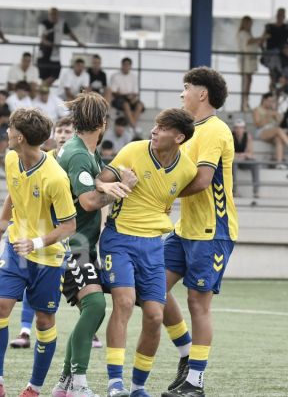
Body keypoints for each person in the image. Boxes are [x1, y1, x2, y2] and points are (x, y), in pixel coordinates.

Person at [98, 108, 197, 397]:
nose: (154, 131)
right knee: (125, 302)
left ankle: (138, 387)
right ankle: (115, 383)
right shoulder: (133, 150)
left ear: (178, 137)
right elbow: (99, 180)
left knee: (154, 315)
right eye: (155, 125)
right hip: (119, 239)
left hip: (154, 244)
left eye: (162, 128)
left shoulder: (187, 169)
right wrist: (113, 185)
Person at [47, 94, 140, 397]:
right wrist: (122, 188)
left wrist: (104, 183)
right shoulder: (77, 154)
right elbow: (88, 201)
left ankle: (64, 382)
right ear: (103, 123)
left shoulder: (87, 152)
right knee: (96, 305)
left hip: (82, 244)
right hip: (70, 244)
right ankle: (79, 384)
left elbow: (95, 181)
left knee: (94, 309)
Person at [0, 107, 77, 397]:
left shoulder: (56, 178)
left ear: (20, 137)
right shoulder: (12, 159)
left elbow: (70, 226)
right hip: (14, 251)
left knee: (45, 321)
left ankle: (33, 389)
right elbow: (13, 193)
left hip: (48, 259)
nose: (6, 133)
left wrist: (37, 243)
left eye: (9, 129)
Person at [161, 67, 239, 397]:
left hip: (213, 231)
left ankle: (196, 381)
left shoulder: (215, 131)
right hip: (185, 230)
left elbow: (203, 180)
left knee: (198, 303)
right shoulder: (192, 131)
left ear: (202, 93)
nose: (182, 94)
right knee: (150, 288)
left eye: (186, 87)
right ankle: (185, 353)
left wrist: (161, 195)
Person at [37, 8, 85, 86]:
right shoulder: (43, 24)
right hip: (44, 54)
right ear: (49, 15)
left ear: (58, 15)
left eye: (55, 14)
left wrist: (78, 42)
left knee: (55, 74)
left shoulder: (62, 23)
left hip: (55, 54)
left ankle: (41, 89)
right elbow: (42, 38)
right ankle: (43, 91)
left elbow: (70, 33)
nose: (53, 16)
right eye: (51, 14)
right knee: (44, 76)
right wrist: (49, 44)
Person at [237, 16, 267, 112]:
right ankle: (244, 103)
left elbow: (253, 42)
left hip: (250, 59)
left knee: (248, 80)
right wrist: (263, 37)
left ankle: (246, 102)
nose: (250, 25)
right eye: (249, 23)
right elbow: (249, 42)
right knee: (246, 81)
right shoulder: (242, 33)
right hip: (246, 60)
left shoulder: (248, 33)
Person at [252, 92, 288, 168]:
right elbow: (257, 124)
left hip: (272, 131)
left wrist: (276, 114)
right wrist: (268, 116)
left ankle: (279, 163)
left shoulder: (272, 110)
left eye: (272, 101)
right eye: (269, 101)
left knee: (278, 139)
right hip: (261, 131)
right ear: (264, 100)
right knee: (278, 130)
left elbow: (280, 123)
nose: (271, 103)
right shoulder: (257, 109)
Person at [110, 58, 144, 130]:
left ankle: (132, 124)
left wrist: (132, 98)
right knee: (126, 104)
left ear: (130, 66)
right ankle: (134, 126)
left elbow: (135, 92)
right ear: (121, 65)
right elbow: (114, 92)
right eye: (124, 65)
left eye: (128, 65)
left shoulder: (134, 77)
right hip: (118, 98)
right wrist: (125, 96)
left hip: (131, 97)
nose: (126, 67)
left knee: (140, 105)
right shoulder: (115, 76)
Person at [231, 118, 260, 200]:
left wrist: (239, 155)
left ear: (244, 129)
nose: (239, 130)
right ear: (234, 128)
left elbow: (250, 153)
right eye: (237, 128)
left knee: (255, 163)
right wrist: (243, 155)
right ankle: (234, 191)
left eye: (241, 128)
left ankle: (256, 191)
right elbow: (229, 153)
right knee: (233, 163)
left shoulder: (247, 136)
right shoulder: (230, 136)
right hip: (234, 161)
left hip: (243, 161)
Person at [261, 7, 286, 84]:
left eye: (281, 15)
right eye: (279, 15)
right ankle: (273, 92)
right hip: (271, 54)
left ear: (284, 16)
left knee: (280, 76)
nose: (279, 17)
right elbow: (262, 40)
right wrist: (264, 52)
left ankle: (276, 91)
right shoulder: (269, 27)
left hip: (282, 56)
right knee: (273, 76)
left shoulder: (286, 27)